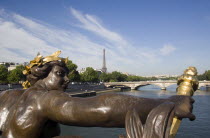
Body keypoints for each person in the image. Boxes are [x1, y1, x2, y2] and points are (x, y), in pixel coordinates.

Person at [0, 51, 195, 138]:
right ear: (41, 75)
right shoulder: (43, 98)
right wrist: (169, 103)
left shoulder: (9, 95)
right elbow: (103, 110)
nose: (67, 80)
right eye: (60, 74)